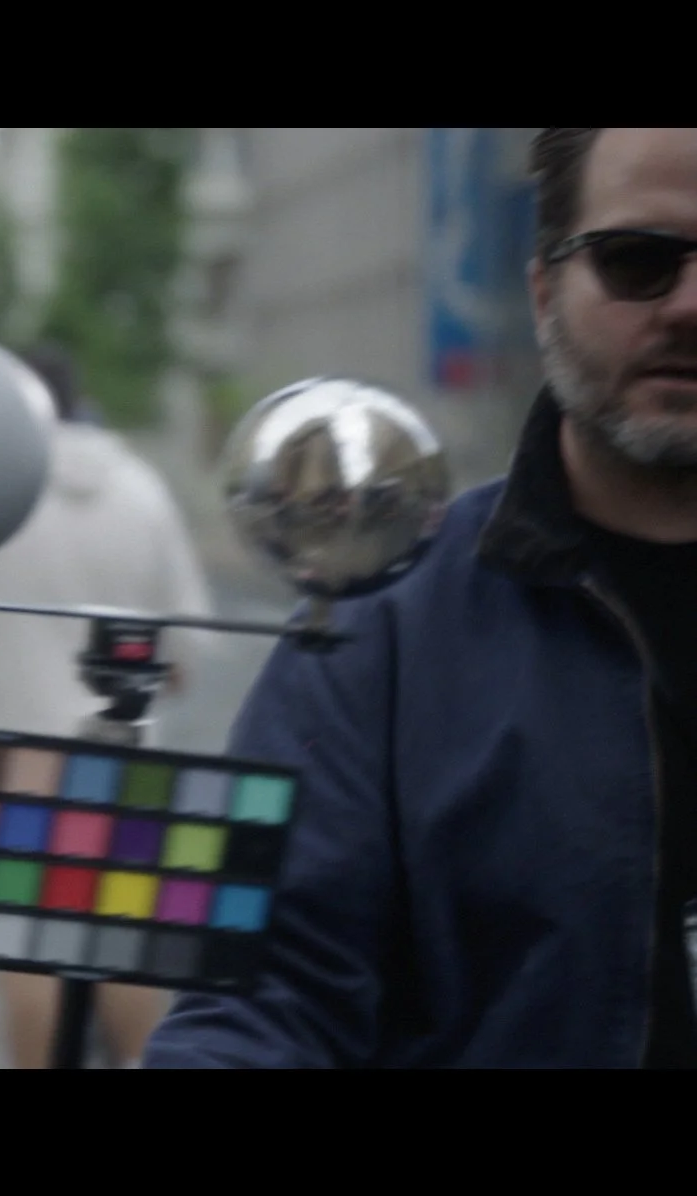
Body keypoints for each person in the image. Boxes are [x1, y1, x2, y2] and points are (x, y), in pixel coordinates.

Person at [143, 127, 697, 1069]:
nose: (689, 306)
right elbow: (262, 997)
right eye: (638, 260)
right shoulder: (380, 627)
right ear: (543, 291)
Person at [0, 343, 214, 1068]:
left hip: (16, 763)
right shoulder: (141, 489)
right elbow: (183, 653)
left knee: (26, 952)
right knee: (125, 945)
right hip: (128, 758)